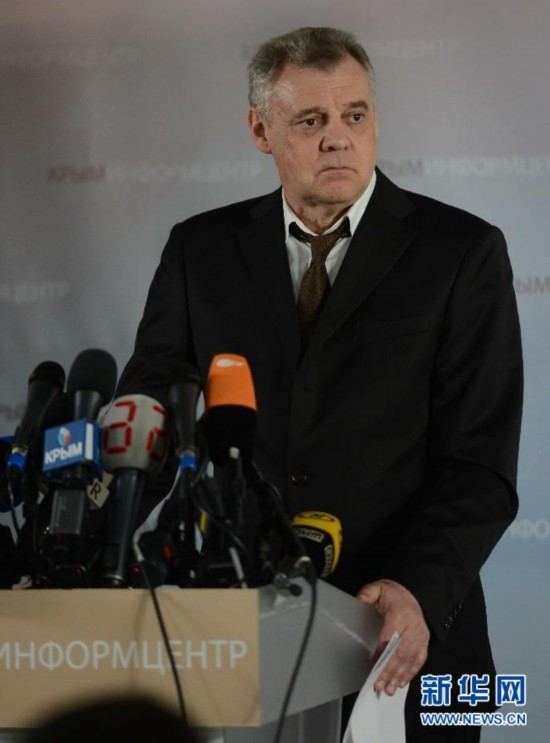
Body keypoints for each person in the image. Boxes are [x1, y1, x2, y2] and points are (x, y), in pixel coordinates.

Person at [117, 27, 523, 742]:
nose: (339, 138)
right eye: (310, 120)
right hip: (248, 634)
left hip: (418, 634)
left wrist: (416, 589)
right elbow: (150, 425)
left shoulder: (464, 250)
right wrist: (89, 551)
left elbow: (480, 464)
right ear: (260, 130)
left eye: (354, 115)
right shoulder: (199, 250)